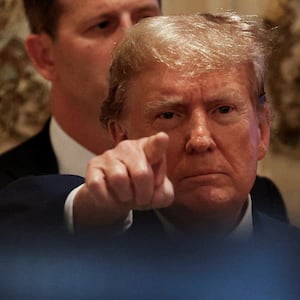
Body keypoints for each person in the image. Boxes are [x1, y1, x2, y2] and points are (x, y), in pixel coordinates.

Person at [0, 13, 297, 240]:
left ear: (262, 130)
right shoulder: (91, 243)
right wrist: (89, 208)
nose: (200, 139)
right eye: (169, 115)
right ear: (121, 136)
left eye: (223, 110)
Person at [0, 0, 161, 187]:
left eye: (146, 19)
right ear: (44, 56)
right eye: (102, 25)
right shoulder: (7, 194)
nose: (134, 44)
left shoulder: (199, 168)